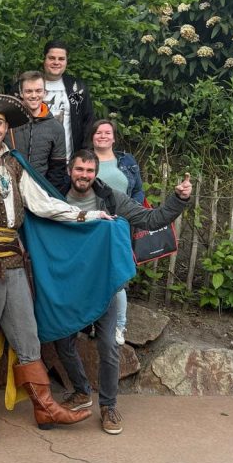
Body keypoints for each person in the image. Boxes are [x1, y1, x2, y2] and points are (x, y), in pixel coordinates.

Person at [0, 94, 114, 441]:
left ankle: (44, 405)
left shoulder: (15, 164)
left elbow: (42, 204)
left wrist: (86, 215)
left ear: (6, 128)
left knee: (27, 335)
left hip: (14, 262)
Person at [56, 149, 192, 435]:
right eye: (79, 169)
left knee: (108, 345)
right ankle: (81, 391)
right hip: (71, 285)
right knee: (62, 342)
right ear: (70, 170)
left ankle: (108, 406)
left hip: (105, 284)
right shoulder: (55, 197)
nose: (84, 175)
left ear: (96, 173)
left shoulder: (111, 198)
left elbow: (151, 220)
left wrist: (178, 199)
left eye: (89, 171)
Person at [88, 118, 145, 345]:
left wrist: (133, 211)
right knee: (93, 274)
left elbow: (138, 190)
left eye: (107, 132)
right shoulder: (85, 160)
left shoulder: (126, 161)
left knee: (118, 274)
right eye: (98, 132)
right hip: (93, 224)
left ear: (113, 137)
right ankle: (94, 321)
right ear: (92, 137)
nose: (102, 136)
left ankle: (119, 325)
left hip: (121, 225)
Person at [10, 70, 67, 188]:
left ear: (45, 93)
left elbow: (57, 169)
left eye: (38, 91)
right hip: (11, 189)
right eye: (28, 91)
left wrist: (47, 194)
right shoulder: (9, 124)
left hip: (41, 191)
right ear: (21, 93)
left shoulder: (56, 128)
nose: (34, 95)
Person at [42, 42, 94, 159]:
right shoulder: (28, 86)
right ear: (44, 59)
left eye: (61, 59)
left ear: (66, 62)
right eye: (52, 58)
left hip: (67, 159)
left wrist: (85, 154)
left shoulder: (77, 88)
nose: (56, 62)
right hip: (35, 160)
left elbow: (88, 121)